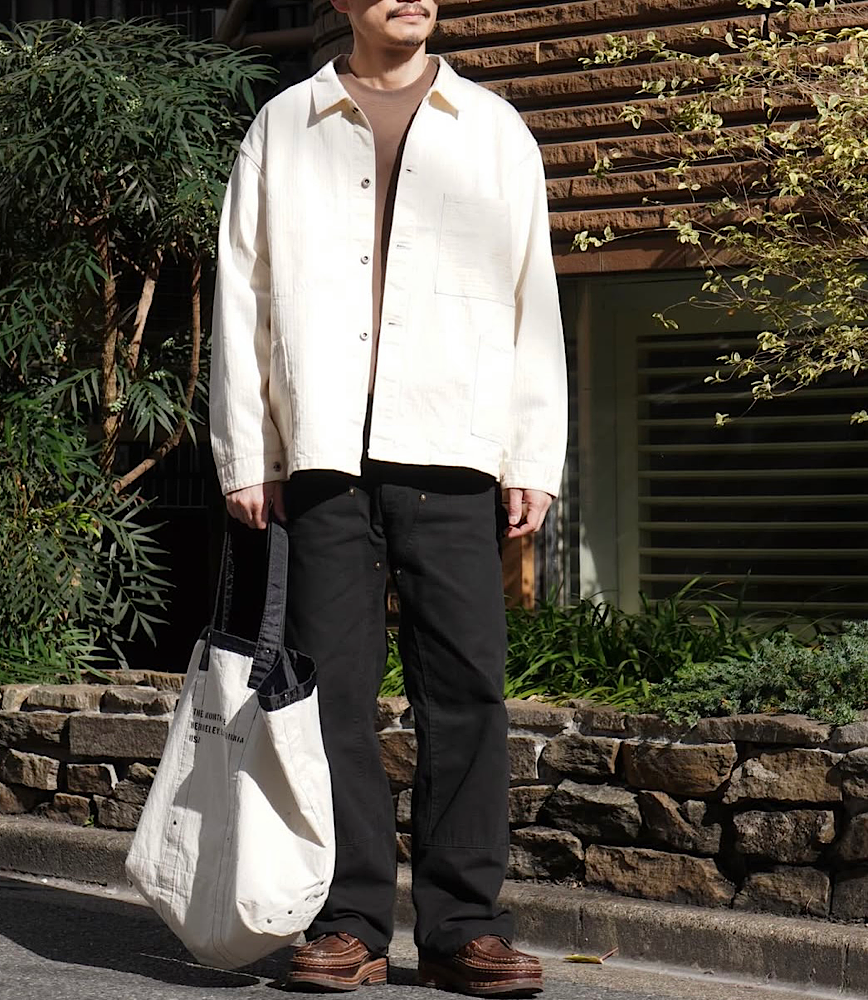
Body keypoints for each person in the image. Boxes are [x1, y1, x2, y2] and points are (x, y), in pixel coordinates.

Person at [209, 0, 567, 994]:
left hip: (452, 446)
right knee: (330, 697)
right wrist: (246, 451)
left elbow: (531, 293)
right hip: (322, 450)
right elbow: (241, 289)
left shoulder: (493, 129)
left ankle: (464, 928)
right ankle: (349, 921)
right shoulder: (285, 123)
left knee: (468, 691)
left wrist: (532, 452)